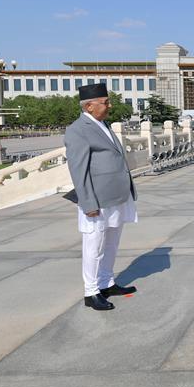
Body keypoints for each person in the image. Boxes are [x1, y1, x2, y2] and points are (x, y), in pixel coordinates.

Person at [64, 83, 138, 311]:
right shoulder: (78, 130)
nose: (109, 105)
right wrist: (87, 202)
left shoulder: (102, 124)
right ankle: (91, 291)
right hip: (96, 198)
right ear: (89, 106)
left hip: (117, 195)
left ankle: (106, 282)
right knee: (94, 245)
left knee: (112, 241)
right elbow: (78, 169)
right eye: (105, 102)